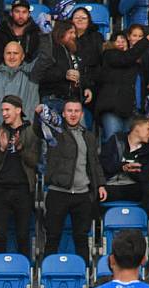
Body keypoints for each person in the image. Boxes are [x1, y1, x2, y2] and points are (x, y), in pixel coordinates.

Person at [39, 99, 106, 259]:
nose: (73, 114)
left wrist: (101, 185)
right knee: (53, 236)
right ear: (63, 113)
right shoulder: (55, 132)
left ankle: (84, 275)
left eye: (77, 111)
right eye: (69, 111)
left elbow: (94, 163)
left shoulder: (88, 136)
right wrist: (39, 113)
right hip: (58, 192)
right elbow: (38, 129)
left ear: (82, 114)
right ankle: (48, 274)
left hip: (82, 194)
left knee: (81, 238)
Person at [0, 95, 39, 257]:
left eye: (7, 109)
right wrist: (2, 150)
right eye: (2, 110)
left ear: (18, 110)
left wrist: (20, 148)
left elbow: (35, 162)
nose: (3, 113)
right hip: (0, 189)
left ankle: (24, 272)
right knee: (0, 235)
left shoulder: (31, 132)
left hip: (23, 189)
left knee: (23, 234)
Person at [96, 31, 149, 142]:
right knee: (113, 143)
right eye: (117, 41)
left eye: (123, 41)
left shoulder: (134, 62)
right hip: (112, 109)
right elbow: (125, 58)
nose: (120, 43)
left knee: (128, 144)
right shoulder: (109, 55)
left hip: (130, 110)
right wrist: (146, 40)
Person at [0, 41, 40, 135]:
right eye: (8, 53)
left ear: (22, 57)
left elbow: (46, 58)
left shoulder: (31, 74)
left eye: (15, 53)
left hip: (24, 135)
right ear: (4, 55)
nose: (12, 57)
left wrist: (45, 35)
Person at [32, 20, 93, 114]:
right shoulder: (50, 48)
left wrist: (86, 87)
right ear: (61, 32)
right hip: (53, 100)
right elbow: (40, 74)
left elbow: (84, 72)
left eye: (75, 33)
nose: (74, 36)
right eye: (71, 32)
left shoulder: (75, 50)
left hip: (73, 102)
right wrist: (64, 75)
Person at [100, 116, 149, 214]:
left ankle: (145, 224)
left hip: (132, 187)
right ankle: (97, 227)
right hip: (110, 185)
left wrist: (134, 172)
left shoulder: (148, 149)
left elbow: (146, 176)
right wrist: (122, 167)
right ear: (137, 128)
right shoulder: (116, 140)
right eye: (148, 129)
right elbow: (104, 164)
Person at [0, 0, 41, 69]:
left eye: (24, 12)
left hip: (28, 74)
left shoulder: (36, 33)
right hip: (4, 73)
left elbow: (37, 59)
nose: (20, 16)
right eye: (17, 11)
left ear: (29, 14)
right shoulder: (1, 33)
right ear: (11, 13)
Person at [69, 6, 104, 98]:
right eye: (76, 17)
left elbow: (101, 62)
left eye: (83, 18)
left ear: (89, 21)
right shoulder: (66, 38)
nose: (80, 20)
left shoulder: (97, 37)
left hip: (92, 83)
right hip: (70, 82)